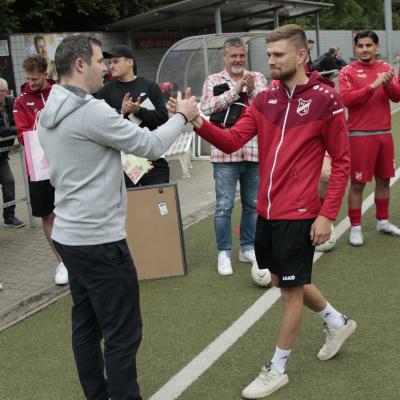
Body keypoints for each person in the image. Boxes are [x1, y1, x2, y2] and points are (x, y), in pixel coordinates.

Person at [171, 24, 356, 398]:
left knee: (289, 292)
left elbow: (341, 162)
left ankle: (278, 368)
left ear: (301, 56)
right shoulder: (265, 99)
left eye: (277, 55)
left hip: (301, 212)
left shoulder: (326, 99)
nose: (269, 61)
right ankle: (336, 321)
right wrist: (196, 120)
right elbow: (232, 139)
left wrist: (327, 214)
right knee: (282, 280)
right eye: (268, 55)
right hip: (266, 212)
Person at [38, 34, 198, 400]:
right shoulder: (89, 110)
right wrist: (182, 116)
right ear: (80, 64)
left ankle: (98, 394)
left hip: (69, 235)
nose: (105, 69)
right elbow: (152, 146)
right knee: (123, 332)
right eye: (99, 62)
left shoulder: (51, 106)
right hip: (99, 239)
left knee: (86, 324)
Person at [200, 37, 267, 276]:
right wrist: (235, 91)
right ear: (225, 57)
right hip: (223, 152)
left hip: (254, 149)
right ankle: (224, 252)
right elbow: (206, 108)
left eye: (241, 55)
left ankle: (247, 247)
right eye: (233, 56)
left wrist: (254, 89)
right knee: (224, 206)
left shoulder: (257, 77)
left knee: (252, 204)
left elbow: (268, 106)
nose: (238, 60)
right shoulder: (213, 80)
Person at [339, 30, 400, 246]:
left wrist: (388, 84)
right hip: (359, 136)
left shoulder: (387, 69)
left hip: (384, 134)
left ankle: (383, 221)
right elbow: (347, 99)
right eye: (361, 46)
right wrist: (373, 86)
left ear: (376, 46)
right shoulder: (347, 71)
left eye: (369, 45)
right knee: (357, 184)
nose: (365, 49)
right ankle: (355, 227)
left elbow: (397, 96)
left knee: (384, 181)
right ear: (355, 48)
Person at [13, 54, 68, 285]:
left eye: (35, 78)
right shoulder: (20, 101)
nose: (31, 82)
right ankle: (62, 262)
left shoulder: (60, 92)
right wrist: (41, 123)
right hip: (39, 168)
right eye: (28, 78)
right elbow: (23, 136)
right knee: (48, 214)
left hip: (66, 162)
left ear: (46, 74)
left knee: (70, 210)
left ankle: (78, 255)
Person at [95, 44, 170, 187]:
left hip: (153, 156)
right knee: (132, 207)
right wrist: (121, 112)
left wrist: (138, 111)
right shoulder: (106, 91)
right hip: (125, 161)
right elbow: (100, 125)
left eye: (116, 61)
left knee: (158, 204)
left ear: (130, 62)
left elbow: (162, 117)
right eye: (110, 62)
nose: (111, 66)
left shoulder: (149, 86)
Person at [0, 78, 25, 228]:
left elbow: (21, 121)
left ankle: (9, 216)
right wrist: (17, 129)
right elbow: (1, 131)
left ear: (6, 92)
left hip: (2, 156)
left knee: (9, 182)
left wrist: (17, 128)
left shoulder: (13, 102)